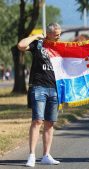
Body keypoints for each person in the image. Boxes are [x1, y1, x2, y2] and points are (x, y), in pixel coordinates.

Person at [17, 23, 62, 167]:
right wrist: (36, 36)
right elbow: (21, 46)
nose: (59, 37)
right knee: (37, 121)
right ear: (48, 34)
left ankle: (46, 155)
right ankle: (31, 155)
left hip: (54, 89)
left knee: (50, 123)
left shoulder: (60, 47)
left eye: (59, 34)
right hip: (39, 87)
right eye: (56, 35)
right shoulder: (38, 44)